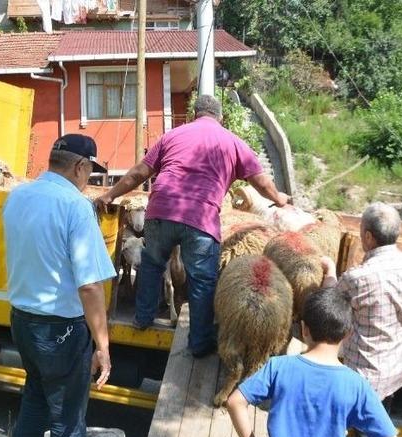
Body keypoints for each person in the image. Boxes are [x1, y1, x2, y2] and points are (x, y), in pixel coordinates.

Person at [93, 94, 289, 357]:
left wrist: (110, 195)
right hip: (201, 219)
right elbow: (262, 182)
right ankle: (199, 343)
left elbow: (139, 173)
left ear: (195, 115)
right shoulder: (233, 142)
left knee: (152, 264)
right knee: (203, 280)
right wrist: (280, 198)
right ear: (221, 118)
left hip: (161, 210)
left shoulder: (172, 136)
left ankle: (142, 318)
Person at [2, 134, 116, 437]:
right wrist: (103, 346)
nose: (89, 182)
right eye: (90, 174)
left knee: (34, 404)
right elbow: (90, 286)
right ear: (81, 167)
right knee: (67, 425)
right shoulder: (75, 206)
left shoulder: (18, 196)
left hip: (23, 321)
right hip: (61, 330)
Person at [226, 287, 398, 437]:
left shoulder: (279, 367)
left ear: (304, 329)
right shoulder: (356, 385)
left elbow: (235, 402)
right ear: (348, 334)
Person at [331, 202, 402, 437]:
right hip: (397, 366)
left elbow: (332, 303)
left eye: (362, 231)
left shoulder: (359, 277)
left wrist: (327, 272)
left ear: (369, 237)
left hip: (367, 374)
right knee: (378, 426)